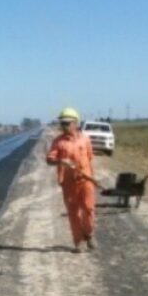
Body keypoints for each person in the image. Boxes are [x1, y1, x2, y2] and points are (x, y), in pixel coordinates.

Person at [46, 107, 97, 253]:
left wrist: (92, 177)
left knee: (89, 209)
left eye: (67, 123)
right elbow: (49, 160)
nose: (64, 126)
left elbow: (90, 158)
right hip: (69, 183)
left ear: (76, 123)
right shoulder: (58, 142)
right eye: (62, 123)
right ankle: (78, 241)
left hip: (86, 180)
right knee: (73, 213)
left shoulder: (85, 139)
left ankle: (88, 234)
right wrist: (61, 161)